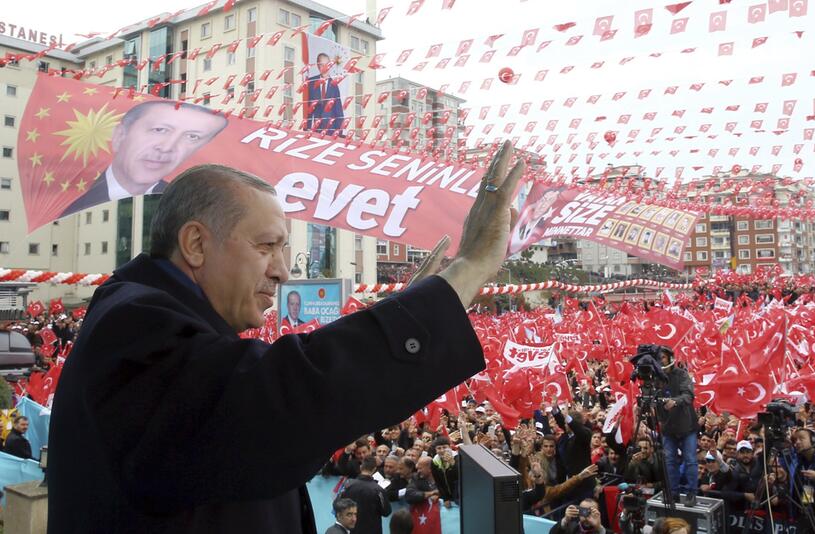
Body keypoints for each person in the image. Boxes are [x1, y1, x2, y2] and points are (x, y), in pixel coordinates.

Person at [47, 140, 527, 533]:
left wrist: (401, 310)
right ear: (195, 244)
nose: (281, 271)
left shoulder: (165, 323)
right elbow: (281, 397)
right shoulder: (134, 322)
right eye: (266, 247)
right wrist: (468, 270)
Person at [60, 100, 228, 216]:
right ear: (120, 135)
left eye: (192, 137)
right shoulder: (70, 198)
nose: (167, 147)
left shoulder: (188, 208)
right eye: (159, 130)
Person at [645, 344, 699, 506]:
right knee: (669, 461)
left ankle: (691, 493)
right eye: (658, 358)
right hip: (668, 428)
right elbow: (648, 398)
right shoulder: (654, 379)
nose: (660, 361)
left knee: (690, 460)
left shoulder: (681, 374)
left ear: (670, 358)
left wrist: (674, 402)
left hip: (687, 427)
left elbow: (688, 395)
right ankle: (673, 493)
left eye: (663, 357)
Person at [337, 457, 391, 534]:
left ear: (361, 467)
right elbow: (387, 512)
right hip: (372, 530)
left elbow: (337, 504)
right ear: (374, 469)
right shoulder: (378, 490)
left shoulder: (347, 486)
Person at [306, 52, 344, 135]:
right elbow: (308, 109)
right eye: (322, 65)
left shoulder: (334, 85)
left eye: (327, 64)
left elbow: (339, 112)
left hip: (330, 131)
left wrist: (339, 133)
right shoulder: (311, 83)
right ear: (318, 66)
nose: (325, 67)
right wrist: (307, 129)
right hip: (315, 130)